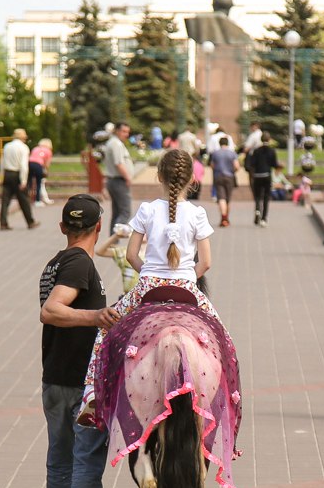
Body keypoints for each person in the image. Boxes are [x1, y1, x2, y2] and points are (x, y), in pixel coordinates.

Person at [79, 149, 221, 419]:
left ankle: (92, 394)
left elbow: (132, 255)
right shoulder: (198, 213)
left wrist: (151, 275)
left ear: (158, 176)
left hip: (148, 286)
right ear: (192, 179)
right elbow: (206, 263)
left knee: (104, 333)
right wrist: (186, 276)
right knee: (221, 337)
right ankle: (223, 395)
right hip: (187, 287)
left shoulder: (146, 209)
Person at [38, 194, 118, 488]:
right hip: (79, 384)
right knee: (84, 465)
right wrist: (97, 316)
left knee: (61, 462)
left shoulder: (57, 261)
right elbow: (51, 310)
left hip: (55, 377)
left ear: (62, 227)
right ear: (98, 227)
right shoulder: (78, 263)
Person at [0, 128, 38, 230]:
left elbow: (2, 162)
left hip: (7, 173)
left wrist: (2, 174)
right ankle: (30, 222)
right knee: (24, 199)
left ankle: (3, 223)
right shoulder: (23, 148)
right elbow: (23, 165)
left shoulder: (7, 146)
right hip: (17, 175)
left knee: (5, 200)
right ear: (22, 137)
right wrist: (24, 181)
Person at [95, 224, 142, 298]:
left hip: (146, 297)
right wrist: (116, 236)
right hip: (128, 296)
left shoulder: (155, 255)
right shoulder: (124, 252)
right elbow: (99, 251)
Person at [103, 122, 134, 229]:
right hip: (118, 181)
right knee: (125, 212)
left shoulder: (112, 142)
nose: (126, 134)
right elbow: (119, 163)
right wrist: (128, 177)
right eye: (124, 131)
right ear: (117, 131)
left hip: (114, 180)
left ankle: (112, 243)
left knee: (117, 213)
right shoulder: (116, 144)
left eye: (128, 132)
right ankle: (115, 239)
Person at [249, 132, 278, 227]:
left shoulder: (257, 150)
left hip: (257, 176)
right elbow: (274, 164)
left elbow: (252, 164)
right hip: (267, 175)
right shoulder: (272, 151)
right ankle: (264, 218)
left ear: (261, 140)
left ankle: (257, 210)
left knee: (257, 196)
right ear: (269, 139)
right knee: (266, 197)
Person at [209, 136, 238, 227]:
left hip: (218, 176)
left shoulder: (215, 153)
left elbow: (212, 165)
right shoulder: (232, 153)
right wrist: (232, 171)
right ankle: (226, 218)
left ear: (220, 143)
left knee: (221, 198)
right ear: (228, 143)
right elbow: (237, 166)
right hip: (229, 177)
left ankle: (223, 217)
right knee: (227, 199)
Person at [28, 138, 55, 206]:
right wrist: (45, 170)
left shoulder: (35, 148)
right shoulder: (48, 151)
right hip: (38, 165)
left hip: (30, 164)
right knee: (38, 183)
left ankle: (27, 198)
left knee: (29, 183)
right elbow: (47, 164)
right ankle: (37, 201)